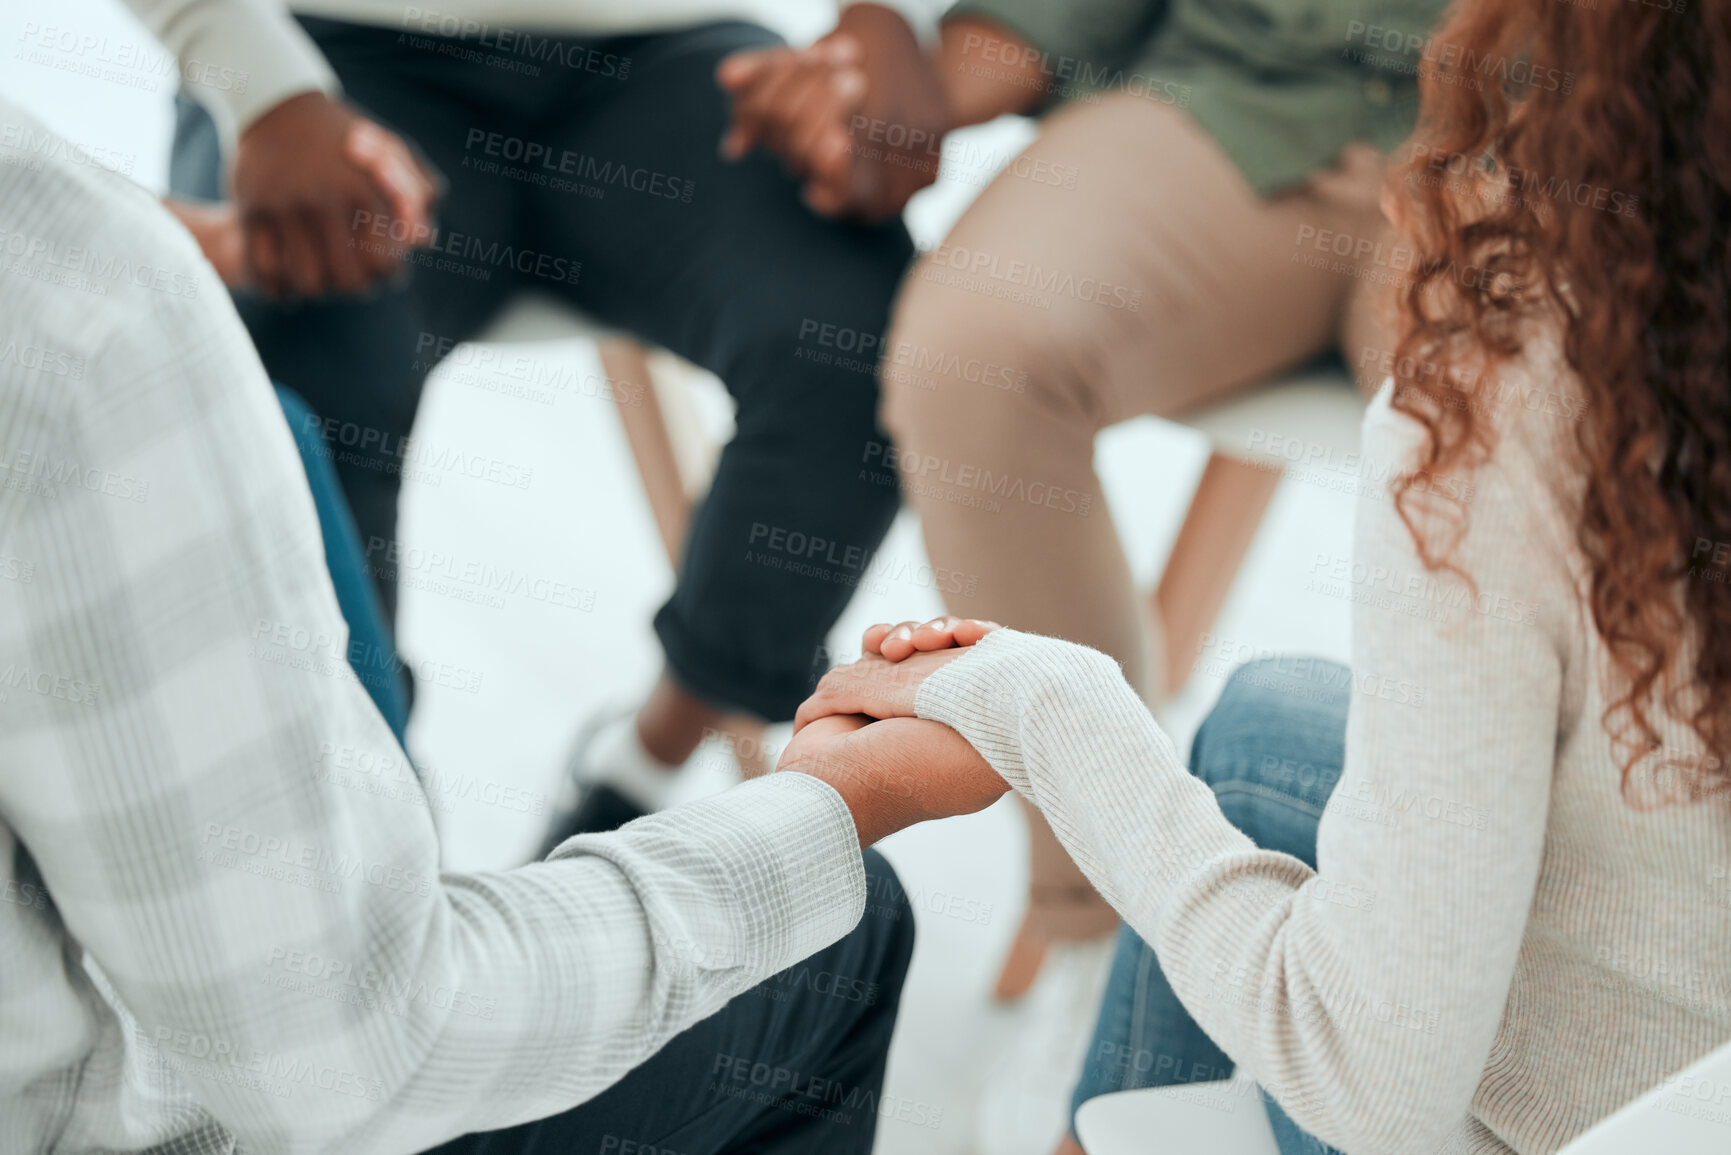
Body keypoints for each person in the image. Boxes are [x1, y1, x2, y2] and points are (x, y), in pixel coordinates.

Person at [793, 0, 1731, 1147]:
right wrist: (902, 64)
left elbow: (1372, 1084)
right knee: (1264, 716)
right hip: (1254, 93)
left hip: (1540, 138)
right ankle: (1092, 961)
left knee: (1495, 442)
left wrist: (1056, 718)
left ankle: (1128, 1011)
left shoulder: (1500, 381)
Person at [0, 99, 1010, 1154]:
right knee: (849, 925)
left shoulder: (81, 289)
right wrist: (838, 809)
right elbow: (356, 1070)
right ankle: (382, 877)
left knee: (288, 428)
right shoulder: (75, 320)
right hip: (225, 1101)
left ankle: (605, 774)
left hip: (629, 79)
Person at [719, 0, 1454, 997]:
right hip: (1239, 89)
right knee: (971, 357)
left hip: (1544, 148)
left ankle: (1496, 984)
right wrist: (897, 87)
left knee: (1534, 449)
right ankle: (1103, 924)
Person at [122, 0, 928, 845]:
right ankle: (361, 817)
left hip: (662, 56)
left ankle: (640, 766)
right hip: (326, 56)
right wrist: (264, 89)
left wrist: (884, 20)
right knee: (295, 363)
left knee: (858, 345)